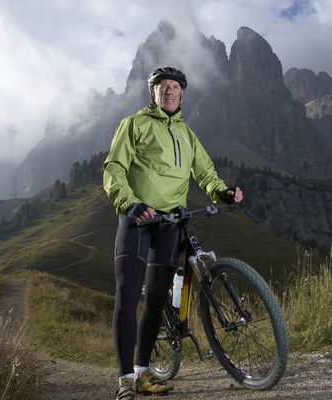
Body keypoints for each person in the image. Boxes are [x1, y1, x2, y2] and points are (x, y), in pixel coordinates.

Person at [103, 66, 243, 399]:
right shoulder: (134, 125)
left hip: (169, 223)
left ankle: (143, 373)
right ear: (152, 93)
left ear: (182, 94)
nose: (169, 91)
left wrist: (222, 192)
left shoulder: (186, 134)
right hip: (138, 220)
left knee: (154, 299)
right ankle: (124, 379)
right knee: (127, 294)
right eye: (162, 86)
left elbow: (205, 172)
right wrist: (129, 203)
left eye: (175, 87)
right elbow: (114, 168)